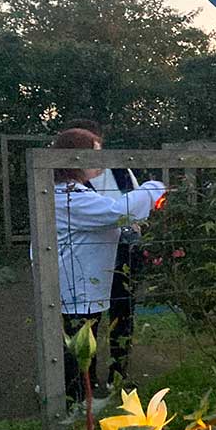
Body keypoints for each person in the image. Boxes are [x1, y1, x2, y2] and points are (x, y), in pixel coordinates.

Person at [52, 128, 165, 402]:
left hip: (86, 282)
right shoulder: (69, 197)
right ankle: (76, 403)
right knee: (78, 346)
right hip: (76, 285)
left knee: (87, 338)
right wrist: (156, 187)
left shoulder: (74, 191)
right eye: (96, 153)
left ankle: (85, 398)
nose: (102, 159)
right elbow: (116, 212)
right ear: (76, 158)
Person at [66, 119, 142, 385]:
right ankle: (85, 379)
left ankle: (117, 375)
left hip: (122, 253)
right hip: (87, 258)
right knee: (87, 318)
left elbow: (136, 204)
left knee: (123, 312)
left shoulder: (121, 171)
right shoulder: (67, 183)